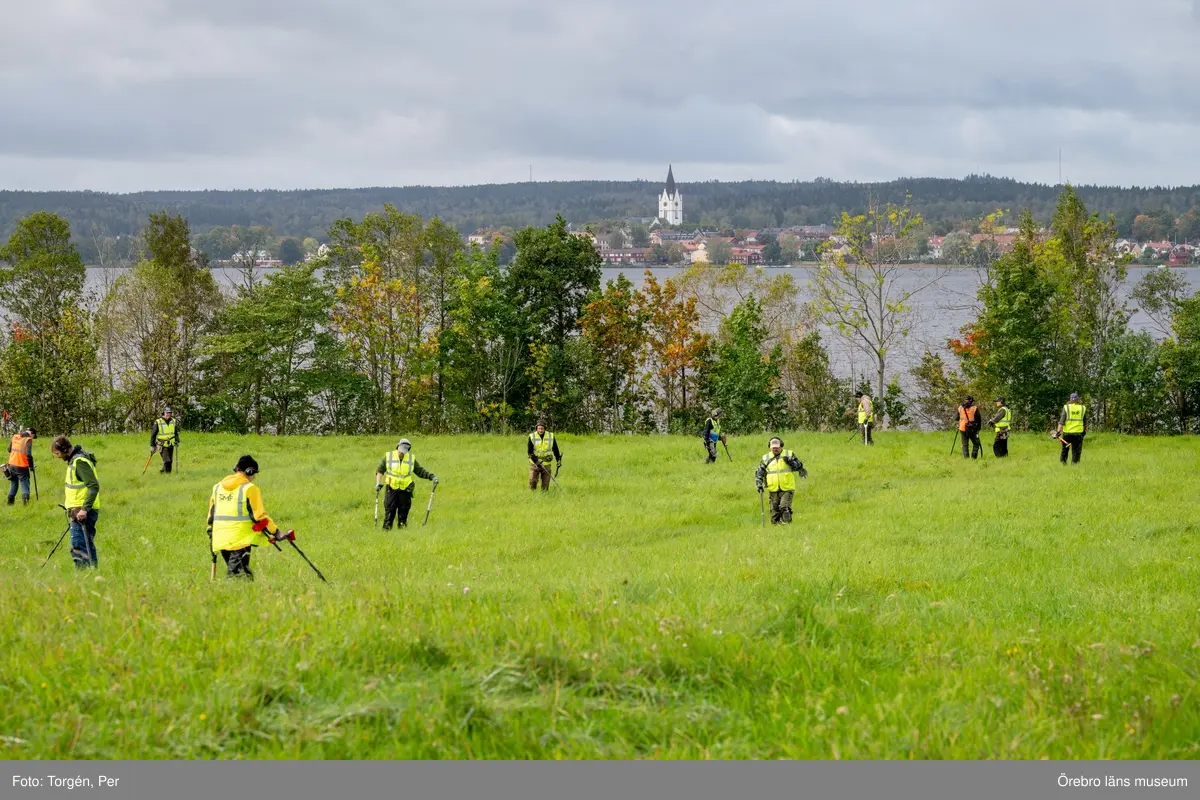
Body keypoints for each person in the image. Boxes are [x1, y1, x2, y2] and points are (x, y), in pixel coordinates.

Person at [206, 455, 285, 579]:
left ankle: (249, 595)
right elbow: (259, 516)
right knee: (235, 577)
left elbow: (211, 516)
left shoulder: (217, 488)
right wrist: (276, 532)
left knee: (243, 574)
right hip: (239, 539)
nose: (254, 477)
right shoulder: (250, 488)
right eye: (254, 474)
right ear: (249, 471)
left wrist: (210, 529)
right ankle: (229, 596)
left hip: (220, 537)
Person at [51, 435, 100, 569]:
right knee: (86, 544)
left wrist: (84, 509)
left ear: (64, 450)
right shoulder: (75, 460)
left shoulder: (80, 462)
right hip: (77, 511)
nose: (57, 456)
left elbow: (93, 486)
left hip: (83, 512)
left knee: (79, 546)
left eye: (57, 453)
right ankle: (93, 575)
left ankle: (83, 578)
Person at [375, 438, 438, 529]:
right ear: (397, 447)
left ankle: (402, 531)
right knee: (389, 512)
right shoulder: (389, 456)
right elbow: (380, 470)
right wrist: (378, 483)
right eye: (400, 451)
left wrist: (432, 477)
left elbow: (420, 471)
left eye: (404, 452)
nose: (401, 453)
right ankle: (386, 532)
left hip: (405, 489)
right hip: (391, 488)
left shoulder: (411, 459)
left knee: (403, 513)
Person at [755, 437, 807, 525]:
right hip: (773, 489)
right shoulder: (766, 458)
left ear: (781, 446)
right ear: (770, 447)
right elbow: (760, 472)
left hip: (787, 488)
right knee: (774, 512)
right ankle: (777, 529)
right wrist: (759, 484)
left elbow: (799, 466)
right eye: (773, 447)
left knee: (784, 507)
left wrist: (791, 462)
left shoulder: (789, 454)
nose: (775, 449)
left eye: (777, 447)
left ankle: (787, 525)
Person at [527, 422, 562, 491]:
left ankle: (544, 495)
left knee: (546, 483)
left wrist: (558, 459)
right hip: (535, 463)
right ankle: (532, 493)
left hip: (546, 462)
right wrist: (536, 462)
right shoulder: (532, 436)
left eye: (542, 428)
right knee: (533, 481)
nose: (540, 430)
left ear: (544, 429)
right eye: (539, 428)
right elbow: (529, 451)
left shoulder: (550, 436)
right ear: (536, 429)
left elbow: (555, 449)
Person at [1055, 392, 1087, 465]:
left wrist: (1058, 432)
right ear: (1078, 399)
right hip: (1078, 434)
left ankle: (1063, 464)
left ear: (1070, 399)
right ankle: (1074, 466)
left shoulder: (1066, 407)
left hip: (1067, 434)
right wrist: (1084, 431)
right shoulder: (1083, 408)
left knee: (1065, 449)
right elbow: (1085, 422)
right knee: (1076, 451)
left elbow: (1061, 421)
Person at [6, 427, 36, 506]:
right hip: (21, 465)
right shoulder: (28, 439)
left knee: (14, 483)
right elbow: (28, 454)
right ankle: (25, 504)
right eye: (34, 436)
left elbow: (9, 449)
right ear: (32, 434)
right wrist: (31, 466)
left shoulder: (15, 436)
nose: (33, 438)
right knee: (24, 483)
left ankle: (10, 502)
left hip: (11, 464)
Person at [149, 407, 179, 474]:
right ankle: (166, 474)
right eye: (167, 413)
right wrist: (152, 445)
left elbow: (175, 432)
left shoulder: (173, 421)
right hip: (162, 444)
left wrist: (177, 440)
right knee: (167, 460)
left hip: (171, 443)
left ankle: (166, 474)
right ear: (164, 413)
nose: (168, 414)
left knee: (170, 461)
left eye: (170, 413)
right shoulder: (158, 422)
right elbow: (153, 435)